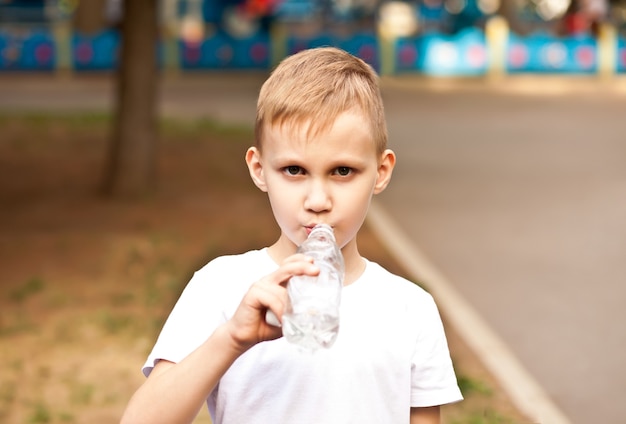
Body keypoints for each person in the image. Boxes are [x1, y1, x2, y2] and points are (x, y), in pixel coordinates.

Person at [121, 46, 463, 424]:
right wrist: (231, 338)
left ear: (380, 172)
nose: (318, 201)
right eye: (295, 170)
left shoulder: (410, 308)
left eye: (343, 171)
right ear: (259, 169)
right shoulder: (219, 285)